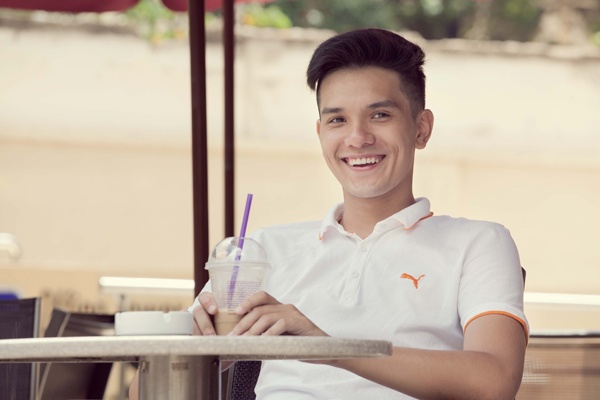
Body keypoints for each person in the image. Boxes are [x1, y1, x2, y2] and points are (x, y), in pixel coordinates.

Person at [130, 28, 528, 400]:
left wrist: (323, 346)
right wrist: (194, 353)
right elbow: (143, 392)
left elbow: (494, 380)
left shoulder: (478, 243)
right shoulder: (263, 249)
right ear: (321, 133)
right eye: (338, 119)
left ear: (421, 128)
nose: (357, 138)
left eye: (380, 115)